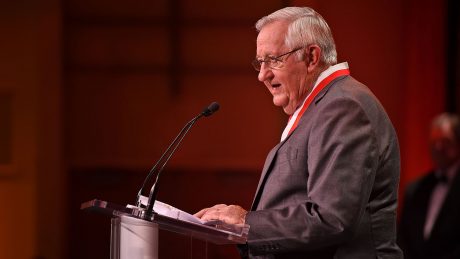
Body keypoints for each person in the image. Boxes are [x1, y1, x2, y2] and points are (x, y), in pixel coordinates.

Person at [195, 7, 402, 258]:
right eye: (260, 63)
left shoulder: (342, 107)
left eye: (273, 59)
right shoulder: (323, 106)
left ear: (311, 57)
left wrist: (246, 223)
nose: (262, 75)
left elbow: (332, 218)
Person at [399, 113, 460, 259]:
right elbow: (402, 238)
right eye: (434, 141)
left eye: (445, 141)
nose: (438, 147)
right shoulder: (414, 190)